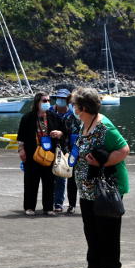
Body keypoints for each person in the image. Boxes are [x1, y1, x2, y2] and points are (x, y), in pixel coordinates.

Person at [71, 87, 129, 268]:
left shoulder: (104, 127)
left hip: (104, 189)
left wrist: (102, 162)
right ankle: (94, 264)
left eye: (75, 105)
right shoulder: (85, 124)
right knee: (92, 228)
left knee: (108, 229)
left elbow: (123, 150)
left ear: (84, 107)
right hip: (87, 189)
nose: (73, 108)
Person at [17, 92, 65, 215]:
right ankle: (29, 207)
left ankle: (48, 208)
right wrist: (21, 150)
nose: (47, 103)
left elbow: (64, 131)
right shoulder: (27, 117)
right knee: (31, 182)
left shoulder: (53, 116)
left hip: (49, 154)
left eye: (48, 100)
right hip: (32, 154)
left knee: (49, 182)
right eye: (44, 101)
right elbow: (21, 136)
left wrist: (59, 133)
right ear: (37, 102)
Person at [51, 86, 79, 214]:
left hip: (70, 149)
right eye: (59, 98)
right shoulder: (50, 111)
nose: (60, 100)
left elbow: (71, 132)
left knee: (69, 177)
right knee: (55, 176)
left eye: (64, 98)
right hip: (53, 148)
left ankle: (68, 204)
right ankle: (54, 202)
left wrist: (62, 134)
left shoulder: (72, 114)